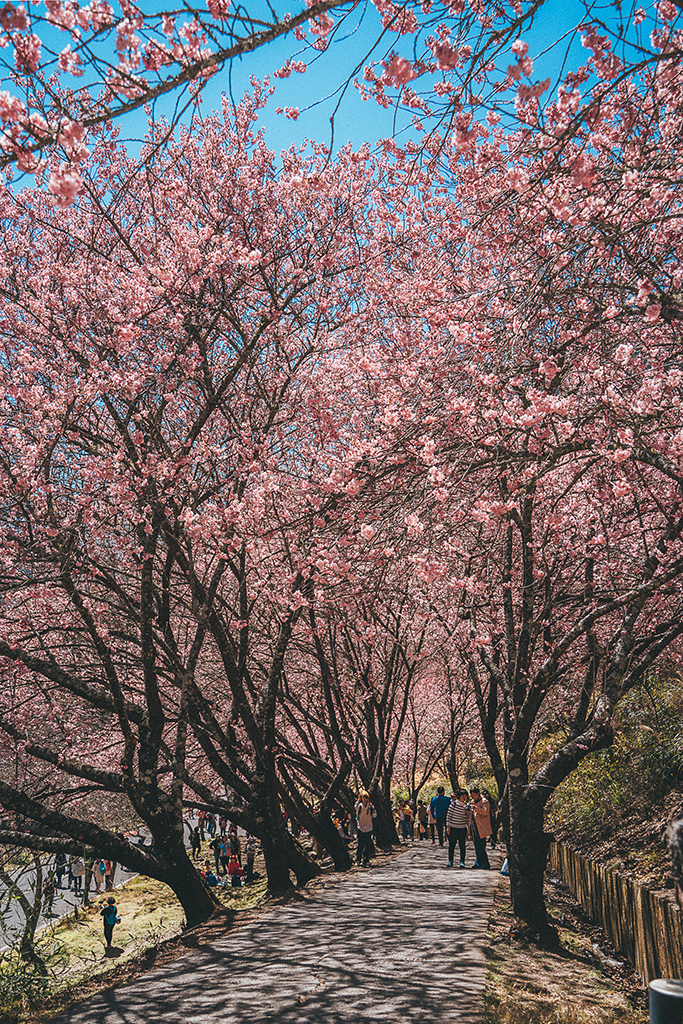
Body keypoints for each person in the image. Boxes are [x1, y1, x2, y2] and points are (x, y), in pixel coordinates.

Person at [469, 787, 492, 870]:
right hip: (474, 826)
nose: (472, 797)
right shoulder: (472, 801)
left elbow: (485, 812)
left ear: (478, 794)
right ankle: (478, 862)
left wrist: (476, 808)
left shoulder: (484, 801)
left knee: (481, 846)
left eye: (474, 795)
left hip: (482, 827)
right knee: (476, 845)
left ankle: (485, 863)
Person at [446, 790, 470, 868]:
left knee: (462, 846)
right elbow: (449, 816)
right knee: (452, 845)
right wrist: (448, 827)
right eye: (463, 795)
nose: (464, 797)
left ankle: (462, 862)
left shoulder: (466, 806)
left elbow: (467, 818)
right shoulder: (454, 804)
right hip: (453, 828)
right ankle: (450, 861)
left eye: (466, 796)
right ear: (459, 796)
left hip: (462, 828)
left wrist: (466, 812)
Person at [355, 791, 377, 867]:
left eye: (366, 797)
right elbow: (355, 807)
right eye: (363, 797)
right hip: (360, 827)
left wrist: (373, 808)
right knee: (360, 844)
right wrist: (358, 800)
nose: (365, 799)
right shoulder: (360, 806)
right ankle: (358, 860)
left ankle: (366, 860)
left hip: (368, 827)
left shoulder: (370, 807)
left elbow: (374, 815)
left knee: (367, 845)